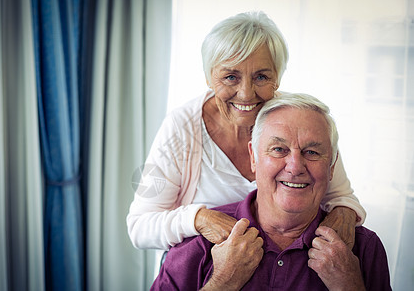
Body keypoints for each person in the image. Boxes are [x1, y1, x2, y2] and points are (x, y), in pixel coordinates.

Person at [127, 11, 365, 253]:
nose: (246, 94)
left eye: (261, 76)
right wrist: (198, 219)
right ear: (209, 77)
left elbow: (341, 197)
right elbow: (140, 226)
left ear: (278, 78)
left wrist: (344, 212)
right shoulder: (180, 128)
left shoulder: (298, 119)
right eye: (231, 77)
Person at [151, 93, 391, 290]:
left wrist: (350, 286)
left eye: (312, 152)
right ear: (253, 158)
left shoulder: (362, 249)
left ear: (332, 166)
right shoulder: (199, 244)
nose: (295, 167)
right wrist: (223, 282)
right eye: (278, 149)